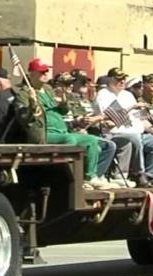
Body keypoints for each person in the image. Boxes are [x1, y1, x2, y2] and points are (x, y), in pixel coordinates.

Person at [26, 59, 118, 190]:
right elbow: (25, 117)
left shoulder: (48, 90)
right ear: (32, 73)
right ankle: (71, 180)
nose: (45, 74)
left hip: (61, 130)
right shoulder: (26, 92)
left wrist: (63, 102)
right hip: (44, 133)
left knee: (91, 140)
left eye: (46, 71)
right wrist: (32, 104)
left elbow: (63, 111)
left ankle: (90, 178)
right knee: (70, 139)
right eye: (41, 72)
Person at [95, 67, 153, 188]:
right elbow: (111, 119)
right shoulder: (103, 95)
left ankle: (150, 175)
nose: (122, 81)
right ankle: (139, 173)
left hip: (137, 133)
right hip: (115, 133)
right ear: (110, 79)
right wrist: (132, 107)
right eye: (119, 79)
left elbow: (141, 118)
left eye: (124, 79)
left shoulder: (127, 95)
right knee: (134, 139)